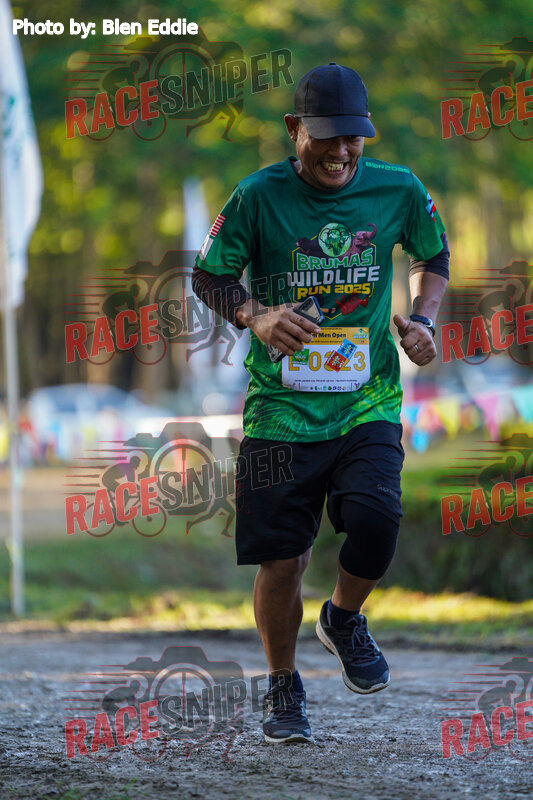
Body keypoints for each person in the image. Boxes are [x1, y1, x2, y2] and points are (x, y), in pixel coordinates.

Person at [192, 63, 450, 744]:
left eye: (353, 138)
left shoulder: (397, 187)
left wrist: (423, 319)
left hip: (367, 399)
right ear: (294, 129)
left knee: (377, 520)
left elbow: (433, 255)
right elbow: (208, 275)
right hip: (280, 409)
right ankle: (283, 685)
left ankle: (341, 617)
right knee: (283, 561)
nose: (340, 151)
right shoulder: (257, 196)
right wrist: (255, 315)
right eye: (326, 137)